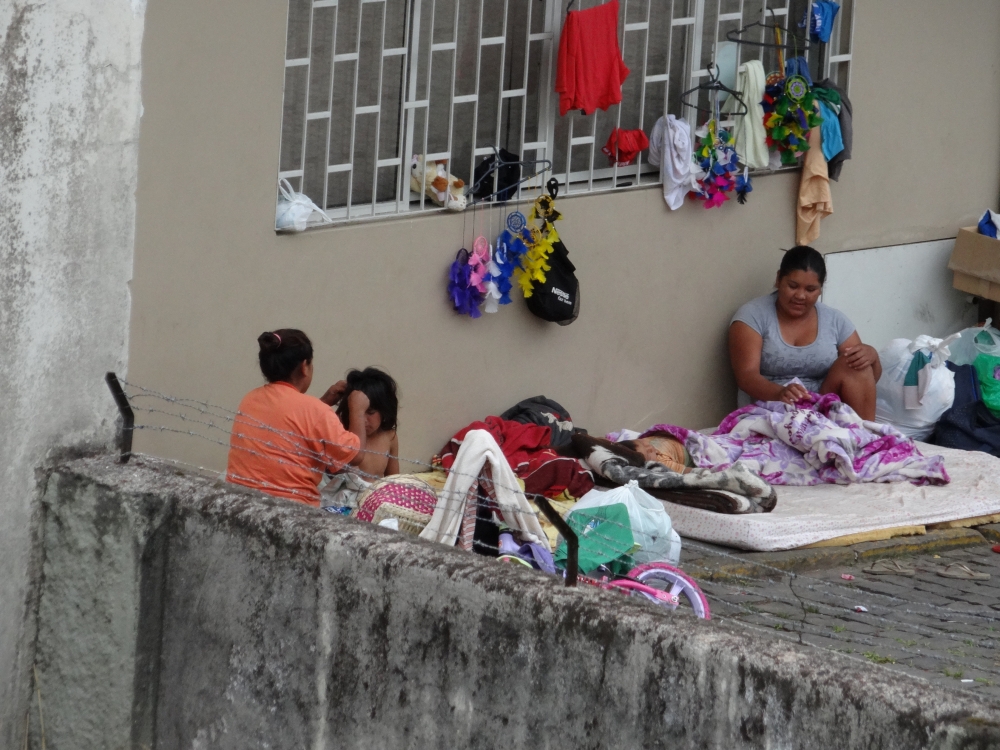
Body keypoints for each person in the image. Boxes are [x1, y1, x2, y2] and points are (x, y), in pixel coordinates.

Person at [729, 246, 882, 420]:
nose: (801, 296)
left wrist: (872, 356)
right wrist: (780, 393)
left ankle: (866, 439)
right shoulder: (752, 316)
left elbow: (864, 380)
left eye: (810, 290)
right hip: (770, 410)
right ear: (779, 279)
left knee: (856, 362)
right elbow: (746, 376)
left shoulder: (835, 320)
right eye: (793, 286)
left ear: (820, 289)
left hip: (821, 408)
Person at [226, 329, 370, 505]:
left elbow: (291, 423)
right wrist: (358, 409)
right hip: (292, 510)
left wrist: (324, 401)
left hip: (240, 502)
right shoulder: (316, 411)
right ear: (304, 367)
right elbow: (356, 456)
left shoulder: (250, 399)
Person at [334, 367, 399, 479]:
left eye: (370, 412)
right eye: (356, 412)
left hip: (376, 495)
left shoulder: (389, 437)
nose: (363, 420)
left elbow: (394, 480)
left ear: (385, 410)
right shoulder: (341, 434)